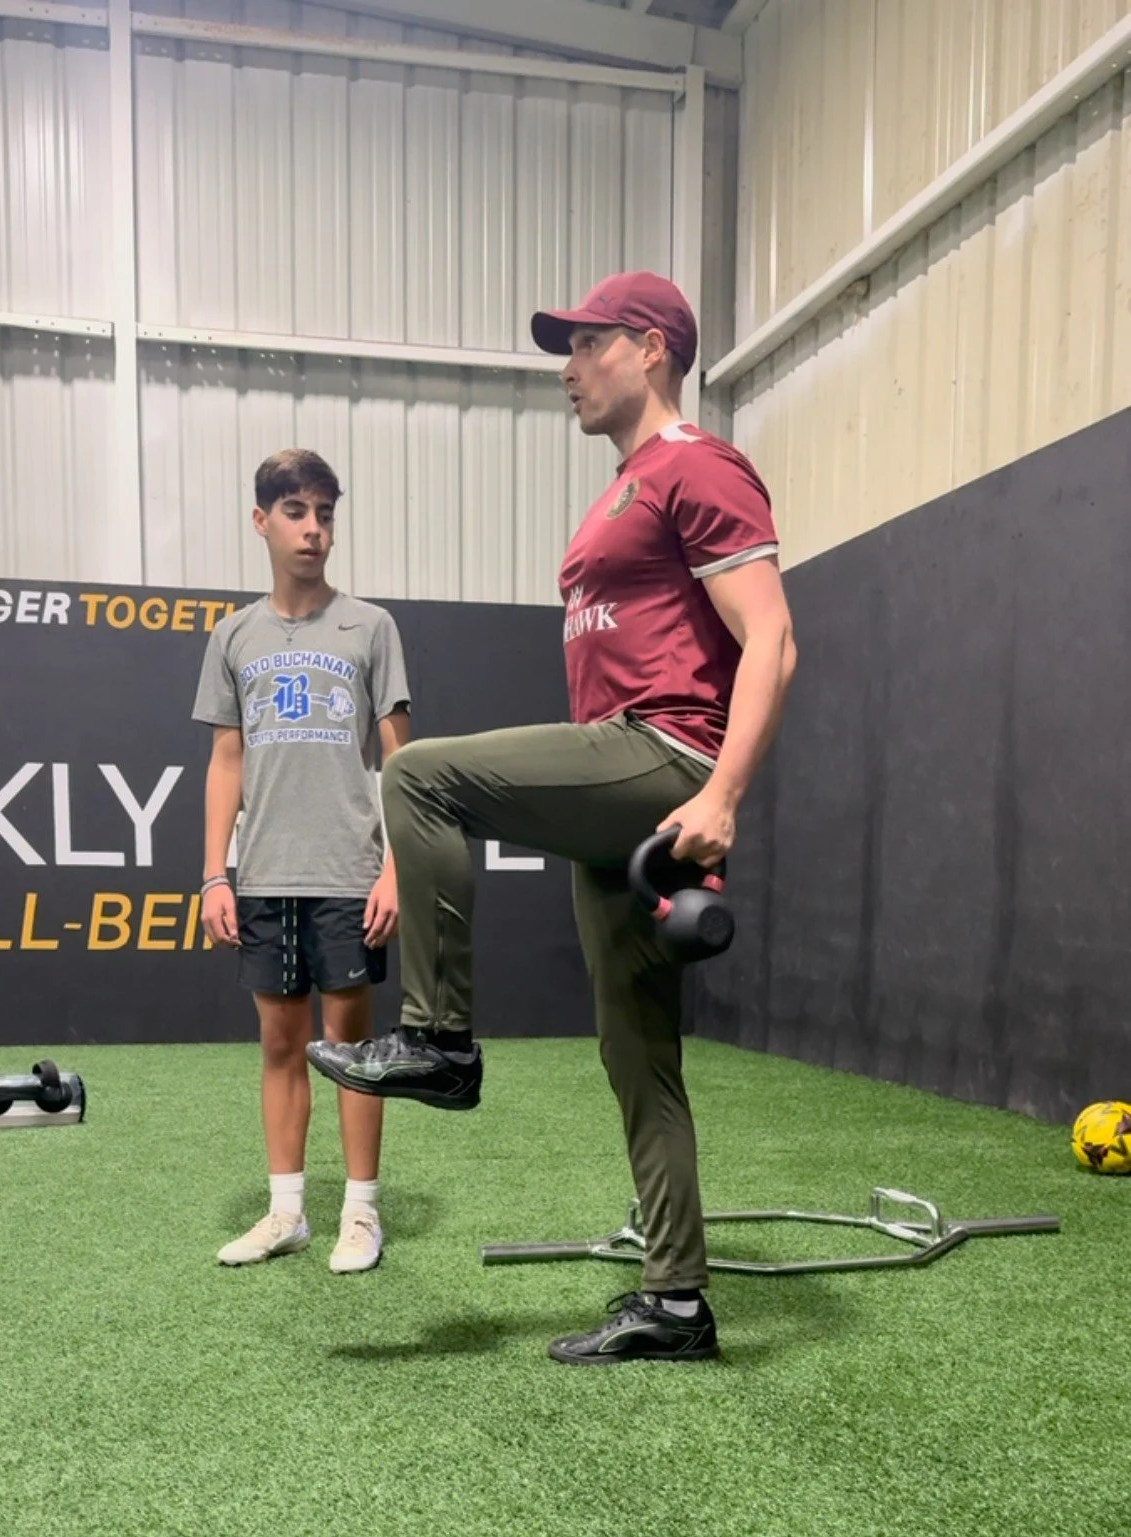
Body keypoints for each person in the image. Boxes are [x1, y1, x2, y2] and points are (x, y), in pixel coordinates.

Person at [307, 273, 796, 1362]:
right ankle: (676, 1304)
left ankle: (438, 1040)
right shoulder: (622, 489)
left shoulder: (699, 464)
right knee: (638, 1053)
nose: (568, 369)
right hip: (625, 791)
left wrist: (722, 795)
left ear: (652, 348)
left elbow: (772, 637)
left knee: (418, 776)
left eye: (587, 345)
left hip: (665, 754)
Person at [195, 447, 411, 1273]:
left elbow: (401, 761)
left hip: (349, 873)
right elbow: (226, 760)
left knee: (351, 1051)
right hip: (264, 874)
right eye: (295, 511)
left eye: (325, 512)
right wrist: (215, 873)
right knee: (280, 1048)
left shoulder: (371, 627)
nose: (313, 529)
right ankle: (287, 1212)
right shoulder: (234, 636)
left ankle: (361, 1214)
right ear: (262, 521)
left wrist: (396, 867)